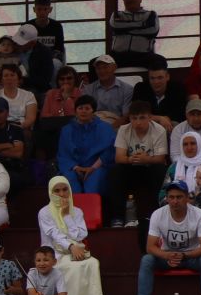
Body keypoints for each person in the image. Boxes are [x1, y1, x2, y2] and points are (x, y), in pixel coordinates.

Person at [136, 182, 201, 295]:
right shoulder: (158, 214)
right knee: (147, 259)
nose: (174, 201)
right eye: (171, 197)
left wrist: (184, 255)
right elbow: (150, 247)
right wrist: (166, 255)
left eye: (179, 197)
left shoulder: (199, 215)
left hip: (191, 256)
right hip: (167, 256)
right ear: (166, 198)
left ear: (187, 198)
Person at [37, 175, 106, 295]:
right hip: (54, 254)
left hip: (75, 251)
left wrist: (67, 215)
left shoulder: (77, 211)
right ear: (51, 192)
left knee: (93, 263)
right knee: (73, 268)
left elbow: (81, 233)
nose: (62, 194)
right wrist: (70, 245)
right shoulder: (44, 212)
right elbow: (54, 234)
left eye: (65, 190)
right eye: (57, 191)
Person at [110, 101, 169, 234]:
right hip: (132, 167)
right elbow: (119, 157)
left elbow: (160, 158)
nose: (138, 122)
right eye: (134, 118)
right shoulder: (124, 130)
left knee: (160, 170)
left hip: (150, 167)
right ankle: (117, 217)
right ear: (129, 118)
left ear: (149, 117)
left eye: (142, 118)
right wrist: (130, 159)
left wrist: (146, 159)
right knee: (115, 171)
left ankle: (156, 215)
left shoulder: (158, 130)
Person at [57, 97, 116, 198]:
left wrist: (93, 167)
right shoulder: (66, 130)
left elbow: (109, 151)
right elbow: (63, 154)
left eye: (87, 108)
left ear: (93, 111)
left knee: (94, 182)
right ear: (75, 111)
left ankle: (91, 212)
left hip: (97, 166)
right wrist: (75, 167)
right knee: (70, 179)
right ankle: (75, 212)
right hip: (73, 167)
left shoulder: (105, 128)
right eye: (80, 108)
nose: (83, 111)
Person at [108, 0, 164, 70]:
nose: (130, 0)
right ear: (123, 0)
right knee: (94, 63)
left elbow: (153, 31)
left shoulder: (151, 14)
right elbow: (114, 27)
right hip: (118, 56)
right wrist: (143, 25)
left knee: (161, 62)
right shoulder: (117, 14)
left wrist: (125, 29)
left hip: (143, 56)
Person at [34, 65, 82, 159]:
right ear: (58, 81)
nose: (65, 81)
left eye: (69, 78)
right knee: (41, 130)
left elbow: (75, 115)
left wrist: (67, 98)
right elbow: (44, 116)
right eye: (62, 79)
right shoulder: (51, 93)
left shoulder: (80, 93)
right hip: (52, 128)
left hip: (74, 127)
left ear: (75, 80)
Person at [130, 65, 185, 132]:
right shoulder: (140, 88)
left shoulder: (178, 89)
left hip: (169, 126)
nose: (156, 82)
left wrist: (167, 118)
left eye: (160, 78)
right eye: (152, 78)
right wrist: (159, 118)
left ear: (167, 77)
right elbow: (134, 113)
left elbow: (181, 114)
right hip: (146, 125)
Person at [0, 64, 38, 132]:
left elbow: (30, 119)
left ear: (18, 78)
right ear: (1, 79)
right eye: (6, 76)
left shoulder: (29, 95)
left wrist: (16, 129)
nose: (9, 78)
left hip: (21, 129)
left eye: (12, 75)